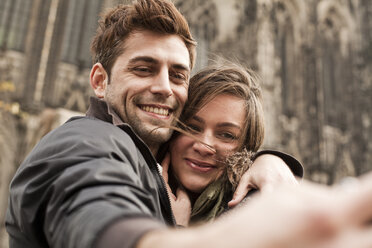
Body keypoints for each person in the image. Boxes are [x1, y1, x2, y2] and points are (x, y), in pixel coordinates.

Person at [5, 1, 372, 248]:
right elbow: (95, 212)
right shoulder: (86, 143)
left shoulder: (160, 164)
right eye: (143, 68)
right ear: (100, 81)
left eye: (178, 75)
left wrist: (268, 161)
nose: (163, 87)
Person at [161, 62, 302, 225]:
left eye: (226, 135)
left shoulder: (254, 213)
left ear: (247, 148)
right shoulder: (136, 181)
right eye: (192, 127)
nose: (204, 146)